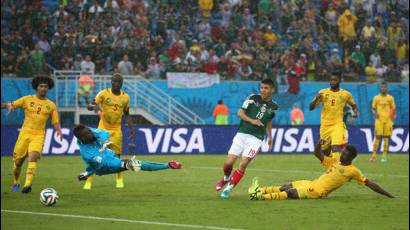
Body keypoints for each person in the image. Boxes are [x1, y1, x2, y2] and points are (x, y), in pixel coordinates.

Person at [248, 144, 394, 200]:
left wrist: (387, 194)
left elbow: (370, 184)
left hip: (319, 191)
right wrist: (319, 145)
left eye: (346, 154)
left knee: (291, 192)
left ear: (352, 158)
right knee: (287, 185)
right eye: (343, 152)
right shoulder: (336, 161)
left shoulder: (353, 171)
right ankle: (258, 190)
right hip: (314, 183)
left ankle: (259, 197)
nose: (342, 155)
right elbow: (317, 154)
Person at [215, 79, 278, 198]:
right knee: (228, 163)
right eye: (262, 87)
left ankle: (228, 189)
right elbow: (240, 113)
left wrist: (270, 137)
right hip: (242, 134)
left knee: (243, 163)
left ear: (272, 90)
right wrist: (252, 121)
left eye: (266, 88)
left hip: (256, 139)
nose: (263, 90)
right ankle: (226, 178)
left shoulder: (274, 106)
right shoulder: (253, 98)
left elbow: (269, 120)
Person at [1, 76, 62, 193]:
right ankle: (16, 180)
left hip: (39, 135)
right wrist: (5, 105)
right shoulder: (27, 99)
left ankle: (27, 185)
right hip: (25, 133)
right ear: (36, 87)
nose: (43, 88)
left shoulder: (51, 105)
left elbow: (55, 121)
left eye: (46, 87)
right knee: (18, 162)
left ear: (48, 88)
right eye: (41, 86)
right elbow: (10, 105)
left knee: (33, 157)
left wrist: (58, 131)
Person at [73, 125, 181, 182]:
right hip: (105, 167)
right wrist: (89, 173)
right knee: (134, 164)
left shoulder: (90, 132)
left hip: (108, 157)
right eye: (88, 134)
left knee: (132, 164)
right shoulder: (87, 153)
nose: (91, 133)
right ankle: (168, 165)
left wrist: (105, 141)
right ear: (82, 138)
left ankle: (168, 165)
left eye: (90, 131)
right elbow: (100, 165)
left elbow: (104, 133)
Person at [85, 73, 135, 189]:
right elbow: (90, 105)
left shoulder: (126, 97)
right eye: (113, 81)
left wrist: (132, 128)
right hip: (102, 129)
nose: (115, 83)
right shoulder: (103, 93)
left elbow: (127, 114)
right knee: (96, 154)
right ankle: (89, 179)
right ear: (111, 82)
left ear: (121, 84)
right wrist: (92, 106)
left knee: (117, 156)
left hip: (116, 130)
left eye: (118, 82)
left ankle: (119, 178)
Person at [309, 72, 359, 163]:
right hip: (325, 126)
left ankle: (337, 168)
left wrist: (355, 112)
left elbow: (353, 105)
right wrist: (316, 99)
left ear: (339, 80)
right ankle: (332, 168)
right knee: (325, 152)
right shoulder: (322, 92)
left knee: (335, 147)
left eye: (335, 80)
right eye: (331, 80)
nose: (332, 82)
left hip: (337, 124)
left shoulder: (346, 94)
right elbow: (310, 108)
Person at [370, 82, 396, 162]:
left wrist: (393, 116)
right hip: (379, 120)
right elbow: (373, 108)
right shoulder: (376, 98)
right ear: (380, 88)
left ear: (386, 88)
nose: (383, 88)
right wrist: (375, 113)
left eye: (384, 87)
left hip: (388, 120)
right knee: (377, 137)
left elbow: (393, 108)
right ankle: (373, 155)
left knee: (386, 138)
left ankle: (384, 156)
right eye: (382, 87)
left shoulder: (390, 98)